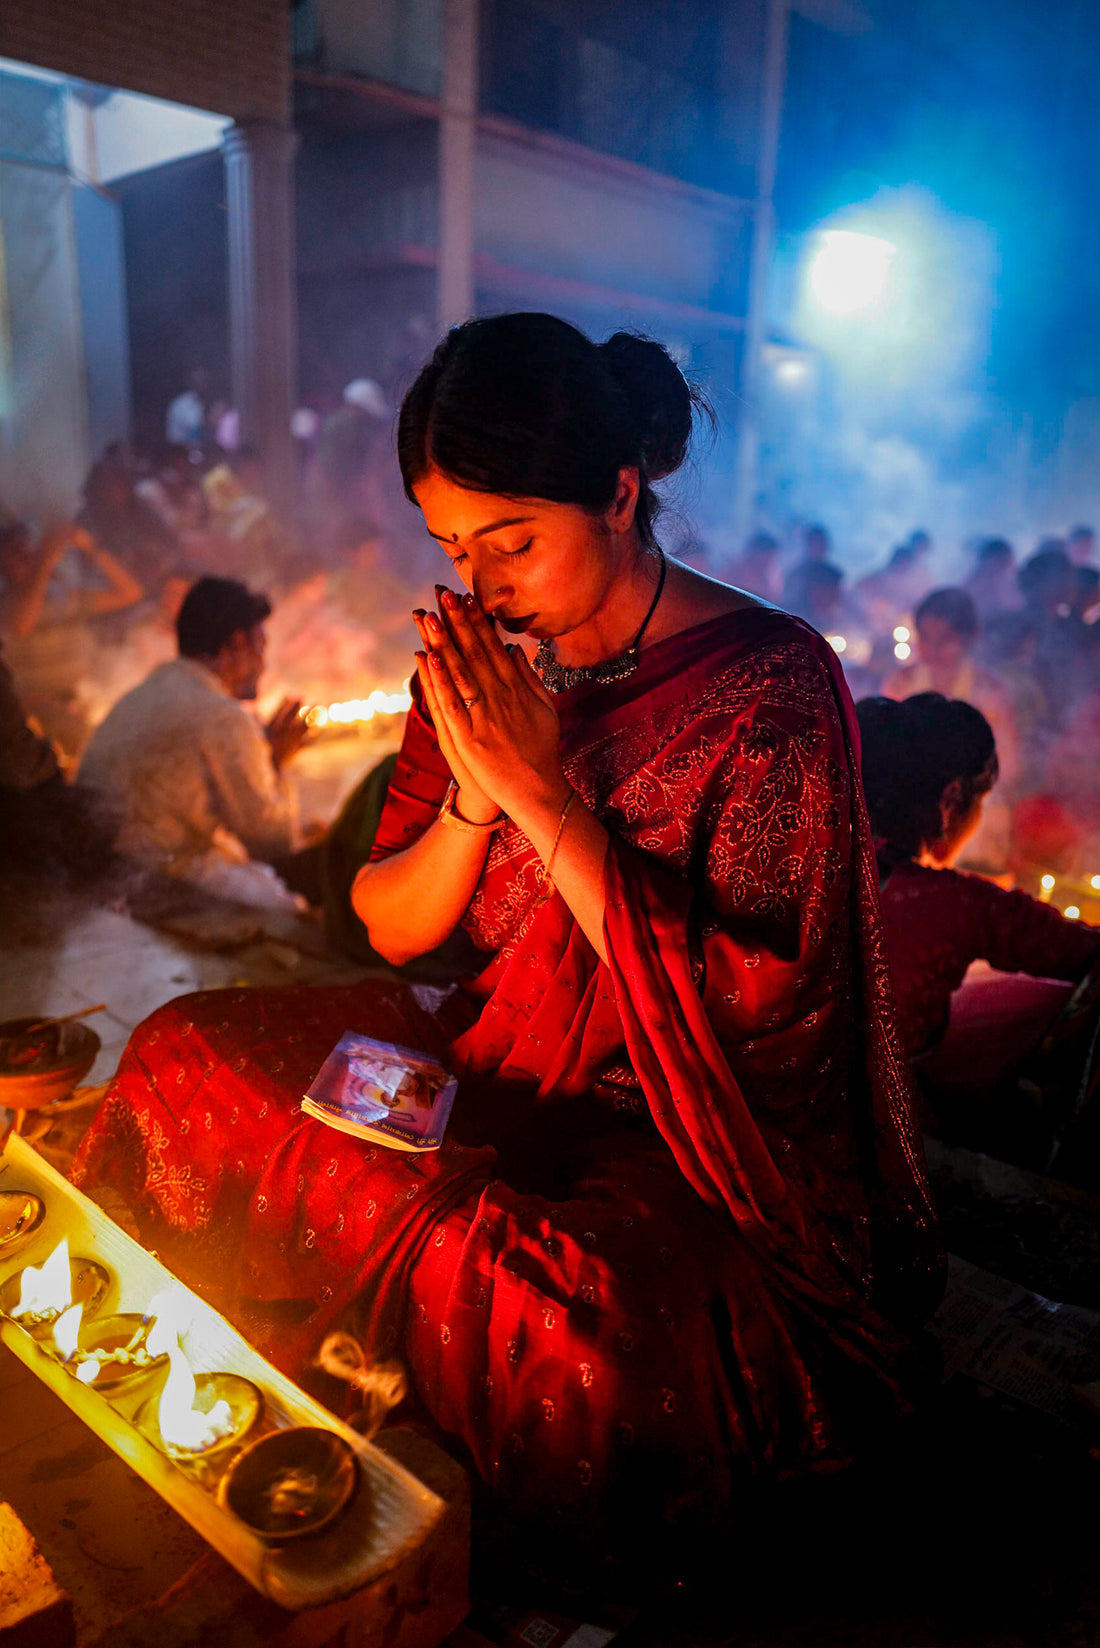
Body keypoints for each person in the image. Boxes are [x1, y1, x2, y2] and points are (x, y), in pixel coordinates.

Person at [75, 314, 942, 1547]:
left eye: (513, 542)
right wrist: (477, 795)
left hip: (675, 1129)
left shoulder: (771, 686)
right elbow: (388, 923)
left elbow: (762, 1024)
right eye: (452, 545)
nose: (481, 584)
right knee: (183, 1062)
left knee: (584, 1340)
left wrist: (544, 798)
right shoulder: (482, 661)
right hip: (481, 1051)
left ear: (619, 493)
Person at [857, 693, 1099, 1062]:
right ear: (951, 798)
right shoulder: (954, 904)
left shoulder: (806, 861)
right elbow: (1085, 950)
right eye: (982, 800)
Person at [77, 576, 308, 908]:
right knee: (287, 910)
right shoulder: (222, 716)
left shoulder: (145, 693)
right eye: (260, 646)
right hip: (152, 885)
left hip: (100, 874)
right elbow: (273, 845)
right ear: (237, 644)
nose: (263, 664)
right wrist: (278, 760)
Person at [963, 537, 1020, 621]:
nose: (1010, 566)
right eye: (1005, 562)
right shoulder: (971, 587)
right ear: (990, 561)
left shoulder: (1009, 585)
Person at [722, 530, 782, 601]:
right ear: (753, 553)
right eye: (764, 556)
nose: (767, 562)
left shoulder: (772, 579)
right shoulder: (732, 574)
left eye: (771, 558)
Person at [165, 368, 210, 449]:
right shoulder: (181, 404)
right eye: (199, 381)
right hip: (181, 451)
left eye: (205, 381)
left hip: (199, 451)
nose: (203, 384)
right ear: (191, 383)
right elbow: (194, 431)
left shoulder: (205, 402)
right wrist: (211, 421)